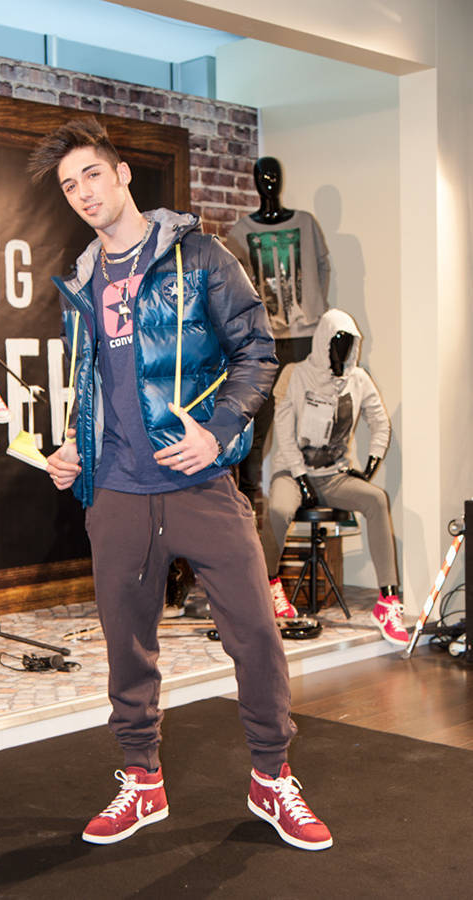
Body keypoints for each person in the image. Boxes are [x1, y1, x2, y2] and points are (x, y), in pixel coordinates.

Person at [28, 117, 332, 851]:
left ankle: (271, 778)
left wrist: (220, 430)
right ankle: (142, 780)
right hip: (116, 491)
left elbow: (257, 350)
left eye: (92, 175)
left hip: (200, 482)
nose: (83, 193)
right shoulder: (81, 282)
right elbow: (95, 385)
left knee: (255, 634)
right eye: (69, 186)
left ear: (123, 174)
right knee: (126, 644)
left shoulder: (199, 256)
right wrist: (76, 447)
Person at [260, 308, 407, 646]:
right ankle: (269, 584)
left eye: (348, 344)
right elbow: (284, 432)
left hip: (332, 476)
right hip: (292, 472)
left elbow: (380, 423)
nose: (342, 351)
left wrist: (369, 467)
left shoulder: (359, 379)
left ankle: (387, 601)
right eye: (336, 343)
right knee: (279, 510)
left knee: (376, 499)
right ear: (322, 342)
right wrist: (300, 478)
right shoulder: (295, 375)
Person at [226, 159, 329, 616]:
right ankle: (250, 549)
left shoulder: (305, 223)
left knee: (308, 426)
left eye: (273, 175)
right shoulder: (239, 231)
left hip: (304, 337)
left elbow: (321, 270)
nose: (268, 182)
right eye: (261, 176)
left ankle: (307, 493)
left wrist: (312, 314)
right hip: (264, 339)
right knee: (256, 434)